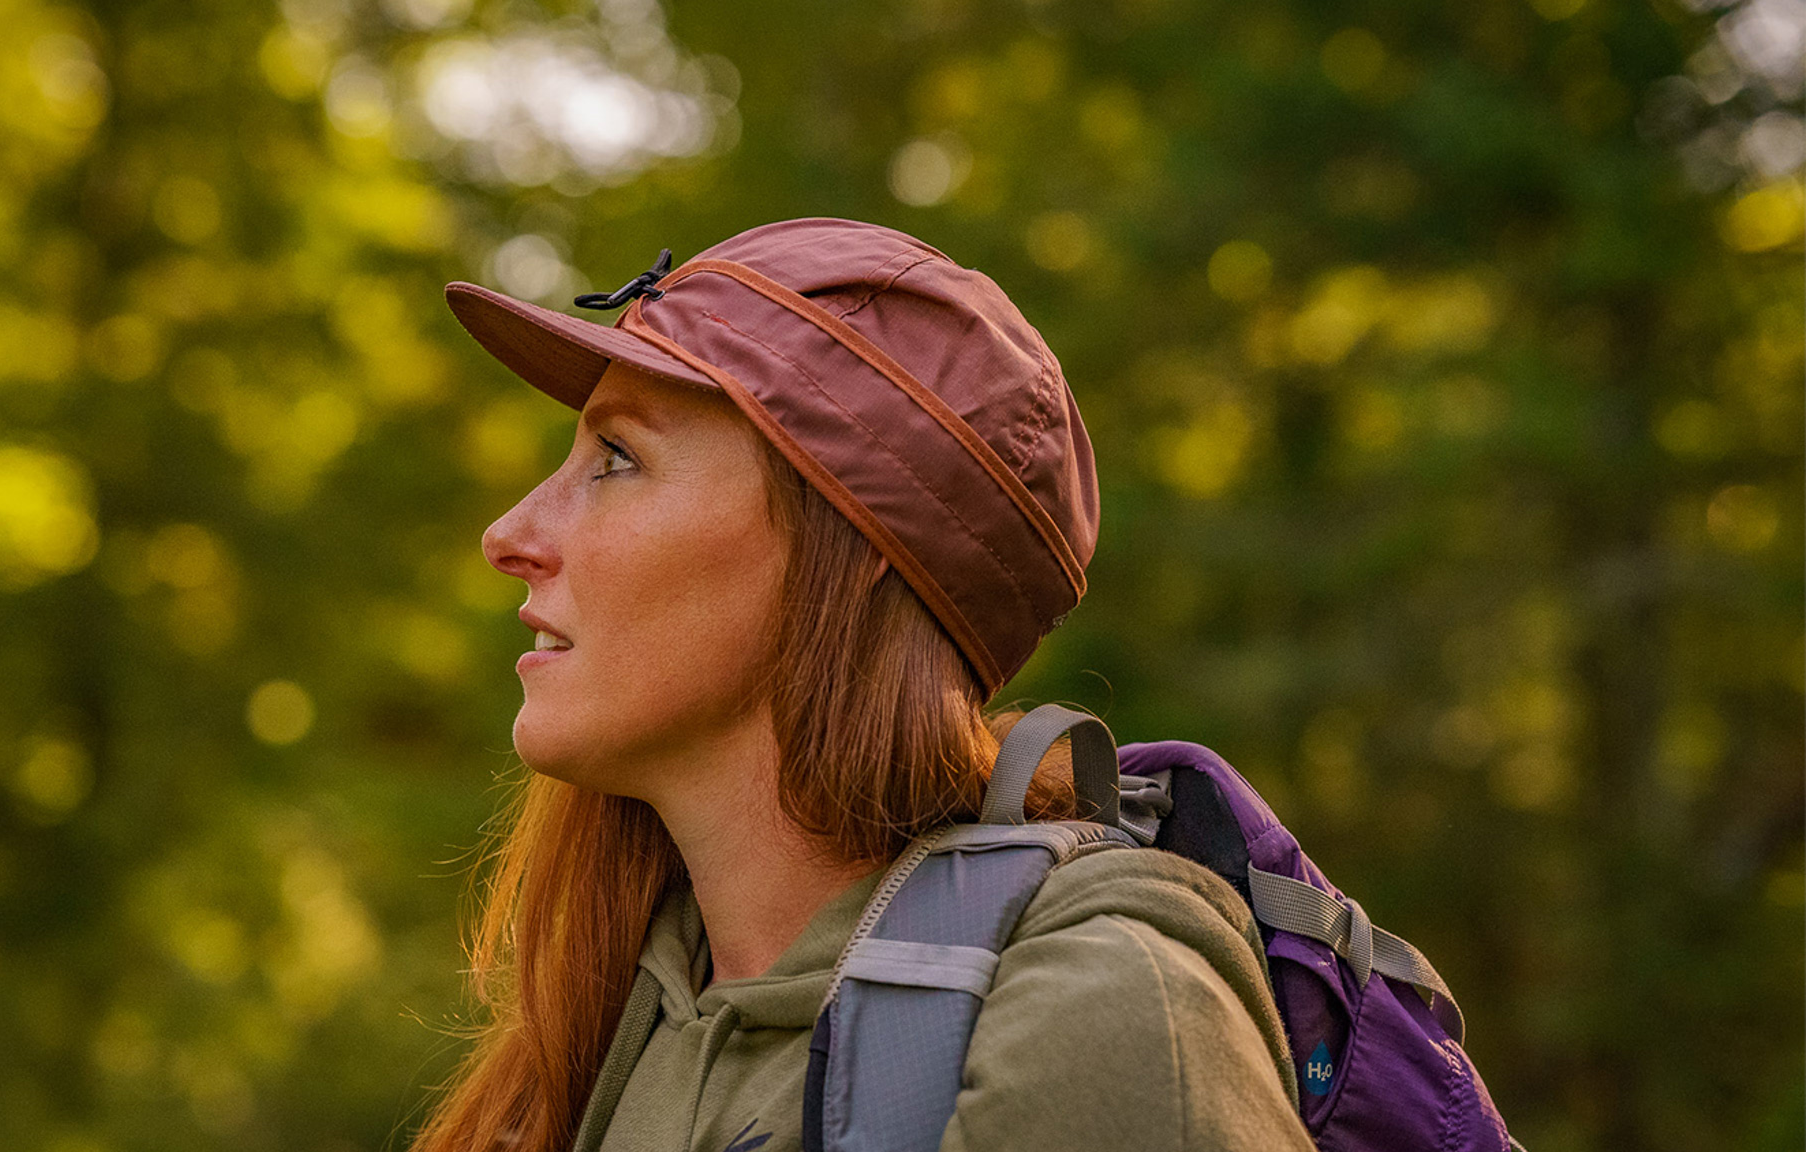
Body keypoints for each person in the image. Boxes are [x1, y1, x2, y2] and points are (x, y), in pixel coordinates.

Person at [413, 218, 1314, 1152]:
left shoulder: (1107, 1017)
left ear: (853, 559)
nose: (509, 533)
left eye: (618, 459)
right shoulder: (611, 1023)